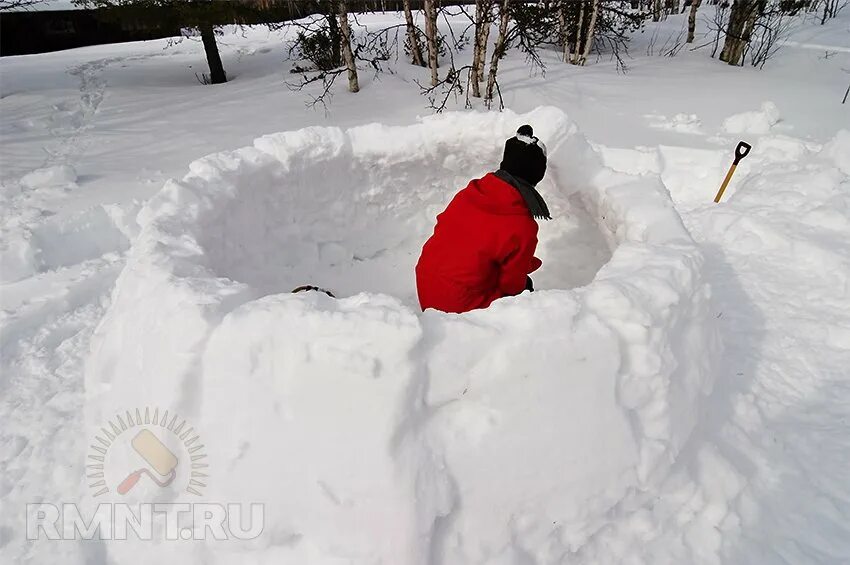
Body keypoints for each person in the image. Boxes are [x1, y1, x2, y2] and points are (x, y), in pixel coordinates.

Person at [415, 125, 551, 314]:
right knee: (524, 291)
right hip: (457, 304)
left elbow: (479, 243)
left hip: (427, 283)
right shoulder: (522, 226)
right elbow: (512, 285)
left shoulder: (470, 193)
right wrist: (523, 276)